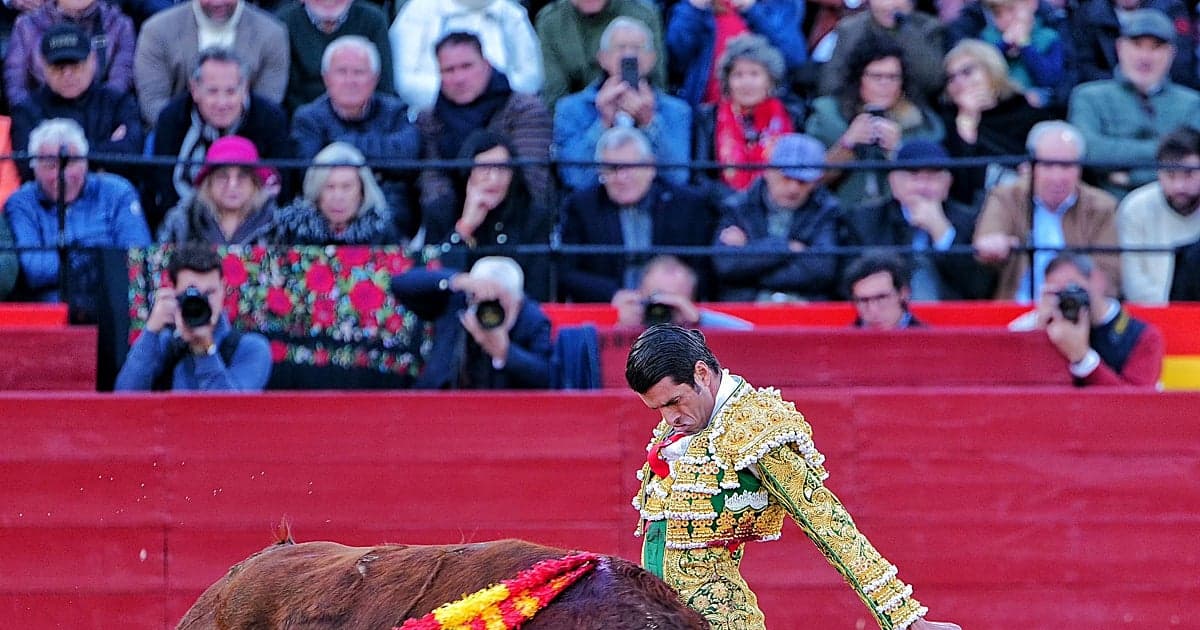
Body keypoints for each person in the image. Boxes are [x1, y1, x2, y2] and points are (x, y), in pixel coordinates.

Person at [625, 323, 962, 630]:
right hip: (657, 616)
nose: (670, 418)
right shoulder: (691, 421)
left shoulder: (754, 427)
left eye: (674, 402)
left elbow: (828, 525)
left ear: (702, 373)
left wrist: (905, 619)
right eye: (659, 409)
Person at [4, 118, 151, 317]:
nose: (62, 175)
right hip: (53, 308)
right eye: (51, 165)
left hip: (114, 301)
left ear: (86, 161)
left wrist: (72, 258)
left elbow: (137, 254)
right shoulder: (21, 202)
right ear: (34, 168)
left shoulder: (117, 191)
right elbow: (34, 269)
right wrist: (98, 259)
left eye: (70, 162)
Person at [558, 126, 717, 303]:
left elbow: (704, 269)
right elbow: (566, 272)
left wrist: (675, 290)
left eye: (629, 167)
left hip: (675, 312)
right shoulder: (582, 206)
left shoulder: (687, 204)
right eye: (611, 169)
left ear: (650, 166)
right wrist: (613, 294)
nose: (621, 178)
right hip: (609, 311)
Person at [973, 120, 1120, 301]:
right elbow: (987, 238)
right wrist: (994, 246)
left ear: (1080, 168)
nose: (1057, 177)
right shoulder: (1005, 197)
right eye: (1048, 165)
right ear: (1031, 166)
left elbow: (1110, 275)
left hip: (1077, 312)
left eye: (1066, 166)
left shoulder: (1102, 206)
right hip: (1016, 308)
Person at [290, 36, 420, 238]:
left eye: (359, 72)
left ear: (375, 78)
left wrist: (340, 143)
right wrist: (376, 161)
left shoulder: (395, 111)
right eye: (342, 72)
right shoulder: (308, 117)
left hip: (390, 206)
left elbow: (406, 158)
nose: (350, 81)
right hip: (327, 208)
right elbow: (310, 173)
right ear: (326, 78)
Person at [416, 31, 555, 218]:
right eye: (449, 70)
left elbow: (532, 179)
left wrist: (483, 207)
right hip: (452, 219)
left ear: (486, 65)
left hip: (516, 218)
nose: (459, 78)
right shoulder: (429, 118)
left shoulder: (525, 109)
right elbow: (432, 182)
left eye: (467, 66)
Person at [150, 47, 292, 225]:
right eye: (213, 91)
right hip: (187, 226)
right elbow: (162, 187)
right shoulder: (172, 118)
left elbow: (282, 187)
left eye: (231, 91)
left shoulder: (270, 118)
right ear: (195, 90)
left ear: (245, 88)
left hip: (256, 226)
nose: (222, 103)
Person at [1068, 8, 1200, 200]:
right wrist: (1169, 153)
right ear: (1120, 48)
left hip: (1177, 211)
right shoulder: (1088, 96)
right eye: (1137, 45)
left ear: (1172, 53)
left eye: (1156, 47)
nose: (1145, 57)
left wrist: (1131, 176)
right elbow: (1089, 150)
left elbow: (1193, 164)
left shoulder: (1193, 104)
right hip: (1106, 211)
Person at [839, 139, 995, 300]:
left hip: (954, 318)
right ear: (893, 182)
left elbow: (979, 288)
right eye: (914, 176)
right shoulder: (865, 220)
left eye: (932, 177)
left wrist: (943, 234)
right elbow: (847, 283)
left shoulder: (971, 220)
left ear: (947, 183)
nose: (923, 186)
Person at [805, 33, 944, 209]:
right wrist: (846, 145)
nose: (885, 84)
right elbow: (808, 180)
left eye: (893, 77)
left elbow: (933, 183)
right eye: (876, 77)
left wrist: (898, 152)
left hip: (898, 221)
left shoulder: (921, 123)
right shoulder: (827, 116)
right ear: (859, 78)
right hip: (840, 215)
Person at [554, 17, 692, 191]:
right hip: (594, 209)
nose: (629, 55)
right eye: (620, 48)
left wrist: (649, 123)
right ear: (602, 58)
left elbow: (677, 177)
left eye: (637, 48)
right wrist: (603, 123)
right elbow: (576, 179)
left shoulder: (677, 111)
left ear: (652, 59)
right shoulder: (571, 109)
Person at [114, 242, 272, 391]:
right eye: (193, 294)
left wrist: (205, 350)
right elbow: (123, 400)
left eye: (210, 292)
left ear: (223, 289)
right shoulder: (166, 343)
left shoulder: (252, 348)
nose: (203, 302)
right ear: (174, 291)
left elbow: (227, 412)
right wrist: (151, 330)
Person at [421, 130, 555, 299]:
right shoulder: (442, 211)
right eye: (484, 168)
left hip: (518, 314)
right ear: (467, 172)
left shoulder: (533, 215)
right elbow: (431, 282)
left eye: (502, 169)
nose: (494, 178)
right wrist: (464, 228)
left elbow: (539, 290)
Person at [712, 133, 841, 301]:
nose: (793, 188)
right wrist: (787, 248)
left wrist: (752, 252)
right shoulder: (738, 207)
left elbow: (822, 270)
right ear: (768, 171)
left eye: (803, 181)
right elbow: (727, 265)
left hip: (806, 308)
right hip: (746, 307)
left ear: (816, 182)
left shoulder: (826, 209)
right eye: (786, 177)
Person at [391, 255, 552, 389]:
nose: (488, 309)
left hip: (503, 412)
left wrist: (505, 352)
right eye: (481, 299)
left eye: (497, 301)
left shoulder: (532, 319)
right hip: (445, 401)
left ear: (517, 301)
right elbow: (399, 284)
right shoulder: (458, 301)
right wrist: (456, 280)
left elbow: (547, 377)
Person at [10, 23, 143, 181]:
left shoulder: (119, 103)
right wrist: (103, 154)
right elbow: (30, 171)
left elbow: (131, 158)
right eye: (58, 66)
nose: (67, 74)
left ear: (93, 60)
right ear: (43, 66)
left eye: (75, 64)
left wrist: (58, 155)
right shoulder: (26, 110)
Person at [1010, 252, 1164, 386]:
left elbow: (1138, 405)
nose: (1066, 298)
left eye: (1072, 288)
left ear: (1097, 281)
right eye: (1057, 292)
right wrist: (1038, 331)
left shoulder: (1142, 337)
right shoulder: (1041, 324)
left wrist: (1082, 358)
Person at [133, 0, 289, 125]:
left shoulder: (272, 34)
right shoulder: (156, 30)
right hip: (176, 135)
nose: (217, 3)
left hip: (248, 138)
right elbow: (153, 103)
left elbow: (268, 106)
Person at [938, 39, 1052, 206]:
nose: (958, 82)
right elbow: (961, 190)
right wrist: (967, 129)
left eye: (967, 72)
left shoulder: (1025, 111)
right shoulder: (947, 123)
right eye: (951, 78)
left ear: (991, 70)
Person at [692, 33, 804, 195]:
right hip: (724, 207)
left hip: (777, 201)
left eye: (754, 74)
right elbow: (701, 178)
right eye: (738, 75)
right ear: (727, 82)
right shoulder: (708, 117)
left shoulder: (793, 114)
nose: (746, 83)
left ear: (770, 80)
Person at [389, 0, 542, 112]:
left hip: (503, 114)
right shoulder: (417, 11)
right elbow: (405, 82)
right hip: (431, 116)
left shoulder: (511, 13)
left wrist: (490, 96)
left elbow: (531, 77)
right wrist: (455, 94)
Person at [664, 0, 806, 107]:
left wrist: (753, 10)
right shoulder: (694, 8)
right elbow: (675, 60)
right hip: (707, 116)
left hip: (765, 117)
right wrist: (694, 10)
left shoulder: (776, 5)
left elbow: (794, 58)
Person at [1116, 127, 1200, 303]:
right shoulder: (1135, 207)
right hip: (1152, 316)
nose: (1179, 186)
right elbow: (1133, 284)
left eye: (1189, 174)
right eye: (1170, 175)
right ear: (1158, 173)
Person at [534, 0, 666, 111]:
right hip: (577, 121)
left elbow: (657, 87)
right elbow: (554, 97)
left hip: (640, 111)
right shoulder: (551, 21)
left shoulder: (642, 14)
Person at [4, 0, 135, 107]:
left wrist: (100, 119)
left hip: (101, 118)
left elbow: (120, 81)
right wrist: (31, 118)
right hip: (41, 120)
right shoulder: (27, 25)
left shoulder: (119, 24)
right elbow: (16, 86)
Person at [944, 0, 1071, 109]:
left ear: (1031, 4)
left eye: (1011, 10)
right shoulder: (987, 38)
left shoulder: (1049, 37)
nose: (1006, 18)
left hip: (1039, 95)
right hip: (1001, 96)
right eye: (998, 14)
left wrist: (1025, 46)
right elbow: (984, 68)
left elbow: (1049, 78)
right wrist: (1004, 44)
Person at [817, 0, 944, 105]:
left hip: (913, 110)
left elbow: (933, 82)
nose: (890, 5)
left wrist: (905, 30)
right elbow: (829, 86)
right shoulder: (849, 30)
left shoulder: (929, 28)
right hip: (855, 110)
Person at [157, 135, 278, 245]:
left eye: (242, 176)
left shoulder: (276, 223)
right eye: (222, 176)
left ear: (255, 182)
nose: (232, 185)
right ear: (208, 183)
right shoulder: (182, 222)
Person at [277, 0, 393, 113]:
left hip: (365, 118)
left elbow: (384, 84)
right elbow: (290, 93)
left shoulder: (373, 19)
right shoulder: (283, 23)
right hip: (305, 120)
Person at [273, 142, 398, 245]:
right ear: (317, 190)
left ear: (362, 192)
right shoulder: (292, 228)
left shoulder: (381, 229)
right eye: (330, 187)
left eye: (347, 187)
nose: (338, 197)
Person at [1071, 0, 1198, 91]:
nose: (1144, 55)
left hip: (1162, 91)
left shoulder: (1172, 8)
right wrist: (1123, 89)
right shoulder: (1089, 13)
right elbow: (1083, 63)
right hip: (1107, 90)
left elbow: (1181, 61)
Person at [612, 254, 753, 329]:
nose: (663, 307)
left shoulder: (697, 322)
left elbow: (749, 334)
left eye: (673, 300)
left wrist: (699, 320)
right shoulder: (630, 321)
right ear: (639, 294)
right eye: (657, 296)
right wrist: (621, 328)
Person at [842, 252, 922, 329]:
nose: (873, 310)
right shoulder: (840, 342)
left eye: (882, 298)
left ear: (903, 293)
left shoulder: (930, 341)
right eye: (863, 300)